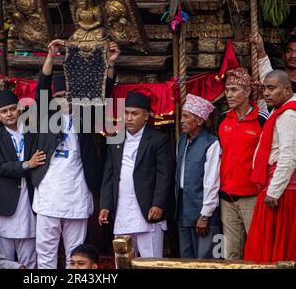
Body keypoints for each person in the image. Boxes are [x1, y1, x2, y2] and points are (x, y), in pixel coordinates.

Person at [30, 39, 120, 268]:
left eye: (68, 93)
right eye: (59, 94)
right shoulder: (44, 117)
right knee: (46, 253)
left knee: (76, 254)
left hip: (77, 194)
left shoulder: (87, 116)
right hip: (48, 195)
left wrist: (109, 64)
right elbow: (42, 86)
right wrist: (50, 57)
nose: (64, 97)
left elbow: (105, 91)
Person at [99, 91, 173, 258]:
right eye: (126, 113)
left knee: (150, 261)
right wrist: (105, 205)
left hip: (148, 210)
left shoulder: (158, 139)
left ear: (146, 116)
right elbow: (109, 175)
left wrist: (158, 203)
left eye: (134, 113)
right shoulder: (115, 140)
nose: (129, 118)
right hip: (122, 211)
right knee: (123, 261)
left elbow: (164, 174)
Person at [0, 90, 46, 269]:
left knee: (29, 260)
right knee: (3, 261)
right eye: (4, 111)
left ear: (20, 109)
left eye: (12, 109)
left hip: (30, 202)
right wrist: (27, 164)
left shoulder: (33, 133)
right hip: (5, 204)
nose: (9, 114)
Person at [244, 70, 296, 262]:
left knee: (275, 251)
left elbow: (289, 156)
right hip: (278, 188)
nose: (266, 93)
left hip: (283, 194)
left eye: (271, 88)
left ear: (287, 90)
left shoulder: (289, 114)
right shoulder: (280, 110)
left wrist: (273, 192)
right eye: (265, 88)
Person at [217, 68, 268, 260]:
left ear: (247, 92)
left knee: (256, 248)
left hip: (252, 197)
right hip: (227, 196)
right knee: (230, 252)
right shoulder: (223, 119)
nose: (228, 94)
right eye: (227, 90)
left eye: (234, 89)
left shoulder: (261, 120)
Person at [176, 94, 221, 259]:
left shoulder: (212, 143)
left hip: (203, 211)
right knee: (186, 258)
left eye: (186, 116)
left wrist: (205, 215)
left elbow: (212, 182)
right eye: (182, 116)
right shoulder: (182, 140)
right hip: (183, 209)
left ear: (200, 121)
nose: (181, 120)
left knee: (206, 258)